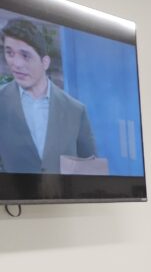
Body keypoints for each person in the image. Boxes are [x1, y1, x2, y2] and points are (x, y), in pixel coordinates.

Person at [0, 17, 96, 174]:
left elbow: (92, 174)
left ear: (45, 62)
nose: (16, 63)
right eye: (9, 53)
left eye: (25, 55)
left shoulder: (75, 110)